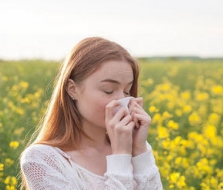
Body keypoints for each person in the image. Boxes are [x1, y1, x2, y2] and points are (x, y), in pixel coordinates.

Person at [20, 37, 163, 189]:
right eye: (108, 90)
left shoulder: (136, 147)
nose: (121, 101)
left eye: (127, 91)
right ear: (72, 89)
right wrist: (121, 156)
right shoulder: (42, 160)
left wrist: (139, 151)